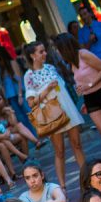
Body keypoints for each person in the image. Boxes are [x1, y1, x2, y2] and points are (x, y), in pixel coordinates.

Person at [54, 33, 101, 170]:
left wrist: (89, 85)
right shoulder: (71, 63)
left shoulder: (83, 54)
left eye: (58, 49)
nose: (57, 52)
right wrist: (82, 90)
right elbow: (83, 82)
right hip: (90, 99)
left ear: (64, 48)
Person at [23, 41, 86, 189]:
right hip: (52, 115)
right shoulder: (29, 75)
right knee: (59, 151)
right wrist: (47, 89)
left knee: (77, 145)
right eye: (41, 52)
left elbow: (62, 88)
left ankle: (87, 179)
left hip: (67, 108)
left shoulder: (50, 67)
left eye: (44, 50)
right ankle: (62, 187)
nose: (45, 53)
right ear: (32, 55)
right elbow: (31, 103)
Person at [0, 91, 32, 177]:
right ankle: (14, 171)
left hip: (6, 136)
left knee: (21, 136)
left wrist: (11, 112)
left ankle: (26, 164)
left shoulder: (7, 109)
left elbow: (14, 124)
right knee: (2, 145)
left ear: (3, 100)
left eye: (0, 99)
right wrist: (8, 129)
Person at [0, 46, 37, 137]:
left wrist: (20, 95)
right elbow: (3, 84)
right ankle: (32, 136)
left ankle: (39, 134)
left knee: (29, 114)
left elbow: (19, 79)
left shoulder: (12, 62)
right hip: (10, 96)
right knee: (21, 118)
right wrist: (5, 99)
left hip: (19, 93)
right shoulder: (1, 67)